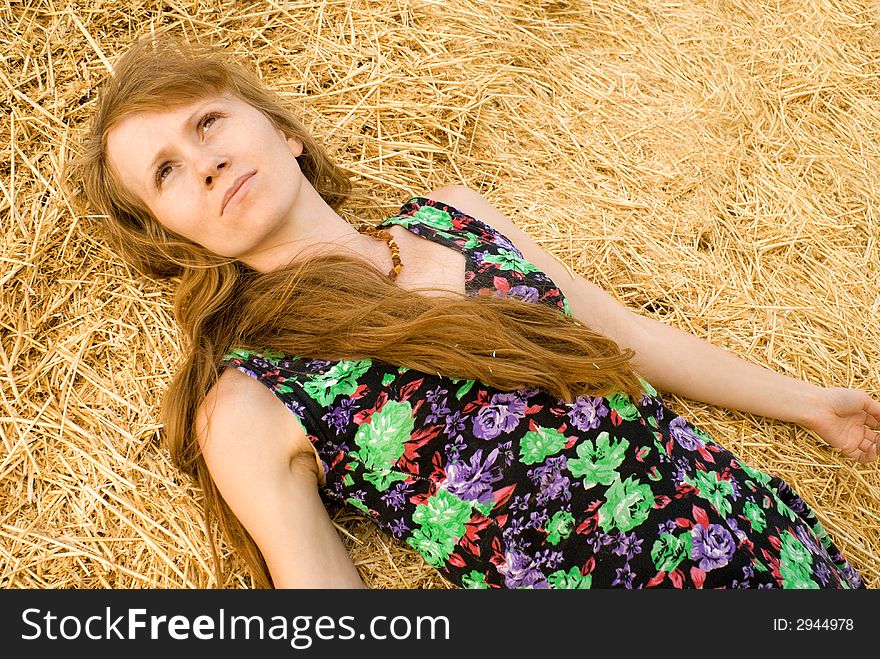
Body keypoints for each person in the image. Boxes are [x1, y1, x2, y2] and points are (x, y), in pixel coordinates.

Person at [72, 34, 878, 590]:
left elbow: (627, 338)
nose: (206, 161)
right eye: (168, 171)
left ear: (283, 133)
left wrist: (812, 403)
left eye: (208, 120)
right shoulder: (250, 402)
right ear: (175, 236)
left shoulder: (456, 215)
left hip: (762, 541)